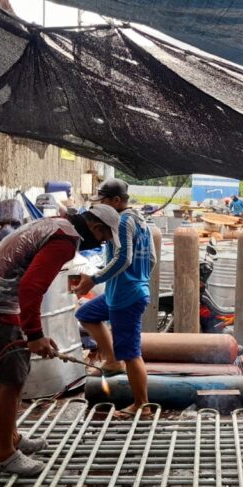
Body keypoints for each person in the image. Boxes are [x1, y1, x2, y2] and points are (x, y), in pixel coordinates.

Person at [0, 205, 119, 475]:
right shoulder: (65, 240)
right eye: (105, 237)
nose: (103, 242)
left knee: (17, 375)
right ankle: (4, 454)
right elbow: (31, 286)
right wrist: (35, 335)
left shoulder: (58, 224)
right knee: (11, 381)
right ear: (95, 228)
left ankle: (12, 438)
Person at [73, 178, 154, 419]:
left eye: (105, 202)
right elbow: (151, 259)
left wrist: (94, 279)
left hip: (126, 296)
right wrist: (139, 280)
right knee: (86, 314)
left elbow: (122, 259)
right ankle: (111, 361)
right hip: (123, 291)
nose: (101, 210)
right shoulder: (141, 220)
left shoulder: (121, 221)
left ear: (116, 201)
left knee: (131, 353)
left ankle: (142, 405)